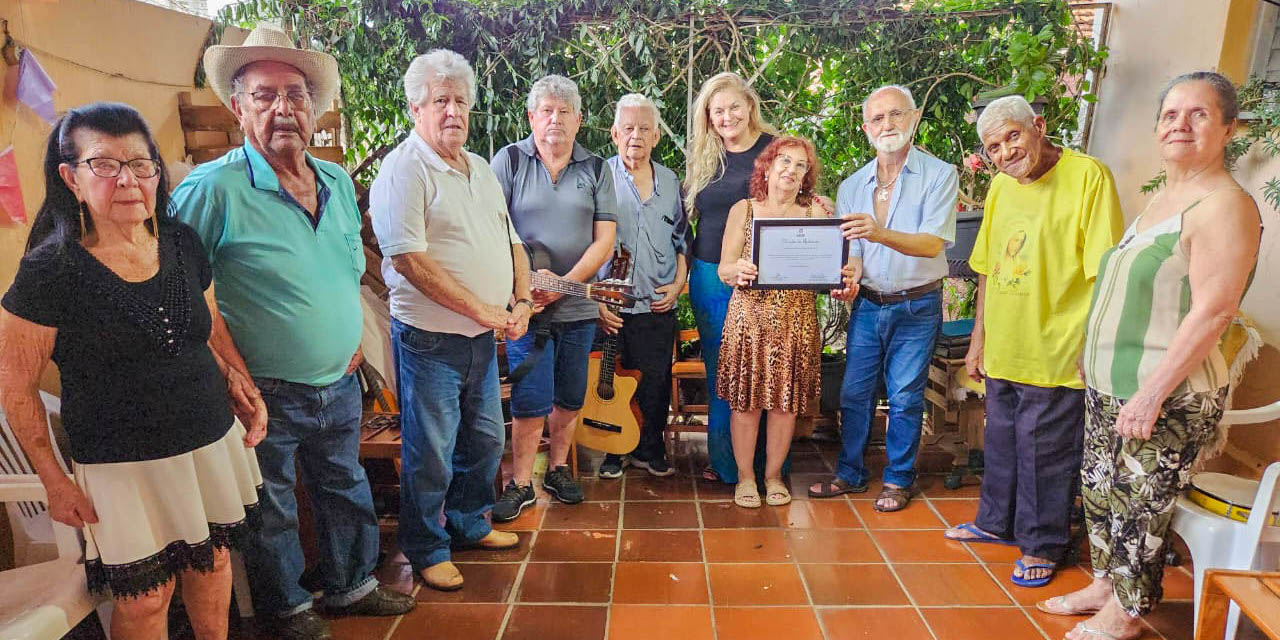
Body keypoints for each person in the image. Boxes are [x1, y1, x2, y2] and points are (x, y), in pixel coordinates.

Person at [171, 24, 414, 639]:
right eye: (264, 95)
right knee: (273, 505)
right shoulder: (212, 189)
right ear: (238, 106)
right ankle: (287, 610)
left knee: (344, 484)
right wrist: (232, 374)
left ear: (314, 107)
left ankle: (351, 585)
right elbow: (183, 293)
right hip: (264, 386)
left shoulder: (333, 181)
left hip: (339, 377)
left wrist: (350, 338)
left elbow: (347, 270)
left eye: (296, 95)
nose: (283, 108)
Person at [0, 102, 265, 640]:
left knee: (213, 571)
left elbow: (207, 321)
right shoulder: (49, 271)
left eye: (141, 164)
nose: (127, 180)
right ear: (71, 178)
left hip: (208, 442)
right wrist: (53, 480)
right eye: (105, 165)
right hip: (122, 467)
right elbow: (16, 388)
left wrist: (240, 380)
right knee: (147, 601)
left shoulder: (181, 242)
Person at [1037, 71, 1261, 640]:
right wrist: (1094, 351)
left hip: (1167, 390)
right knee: (1101, 489)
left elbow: (1212, 310)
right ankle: (1105, 585)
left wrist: (1153, 390)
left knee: (1141, 501)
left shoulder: (1225, 205)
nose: (1180, 125)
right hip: (1113, 381)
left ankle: (1128, 612)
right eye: (1170, 114)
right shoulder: (1163, 197)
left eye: (1199, 114)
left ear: (1228, 128)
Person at [942, 95, 1124, 590]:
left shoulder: (1089, 177)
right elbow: (985, 269)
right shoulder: (1001, 187)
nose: (1005, 152)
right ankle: (995, 522)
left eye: (1013, 137)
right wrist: (978, 338)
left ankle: (1044, 543)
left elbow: (1107, 271)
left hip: (1058, 343)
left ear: (1038, 127)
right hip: (1006, 341)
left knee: (1045, 450)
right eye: (994, 146)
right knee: (1001, 441)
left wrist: (1092, 342)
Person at [369, 50, 531, 591]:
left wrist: (523, 299)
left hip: (483, 337)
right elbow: (409, 260)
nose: (452, 111)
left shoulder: (480, 168)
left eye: (461, 101)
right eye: (441, 100)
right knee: (430, 451)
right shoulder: (404, 169)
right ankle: (426, 546)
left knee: (485, 442)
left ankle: (467, 524)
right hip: (429, 340)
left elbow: (513, 243)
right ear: (416, 108)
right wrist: (486, 309)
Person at [808, 85, 959, 512]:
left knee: (906, 396)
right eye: (877, 118)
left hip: (917, 304)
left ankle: (897, 479)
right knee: (855, 394)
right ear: (865, 128)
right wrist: (849, 279)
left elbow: (932, 244)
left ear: (913, 119)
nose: (887, 124)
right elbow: (854, 252)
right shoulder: (853, 185)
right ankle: (851, 474)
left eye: (896, 115)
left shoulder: (940, 174)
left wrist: (878, 231)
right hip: (869, 305)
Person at [490, 75, 618, 521]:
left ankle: (559, 469)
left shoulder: (598, 169)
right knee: (530, 394)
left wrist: (560, 283)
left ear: (579, 120)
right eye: (546, 110)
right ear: (531, 116)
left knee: (570, 393)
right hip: (525, 304)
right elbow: (492, 233)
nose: (555, 120)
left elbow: (605, 241)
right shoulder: (507, 161)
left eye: (565, 112)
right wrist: (526, 289)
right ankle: (520, 481)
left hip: (578, 303)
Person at [716, 135, 831, 508]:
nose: (791, 170)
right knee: (746, 403)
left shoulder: (815, 212)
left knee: (785, 404)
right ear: (767, 166)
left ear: (806, 176)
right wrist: (740, 269)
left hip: (795, 319)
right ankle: (746, 478)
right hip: (748, 319)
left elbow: (830, 265)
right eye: (785, 161)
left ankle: (774, 476)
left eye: (801, 166)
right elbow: (723, 268)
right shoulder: (744, 210)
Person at [684, 72, 781, 484]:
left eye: (734, 107)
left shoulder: (774, 151)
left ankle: (768, 468)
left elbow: (799, 199)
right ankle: (728, 465)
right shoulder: (704, 155)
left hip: (762, 276)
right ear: (708, 117)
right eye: (717, 110)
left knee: (763, 370)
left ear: (750, 107)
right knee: (721, 372)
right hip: (709, 275)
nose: (727, 117)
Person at [596, 93, 692, 479]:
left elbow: (684, 240)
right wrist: (595, 298)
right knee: (612, 377)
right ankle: (613, 451)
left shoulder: (671, 182)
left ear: (656, 138)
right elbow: (583, 242)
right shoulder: (598, 177)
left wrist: (678, 284)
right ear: (615, 133)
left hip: (657, 302)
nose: (636, 135)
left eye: (645, 129)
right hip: (612, 305)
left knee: (655, 381)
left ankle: (651, 448)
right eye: (629, 128)